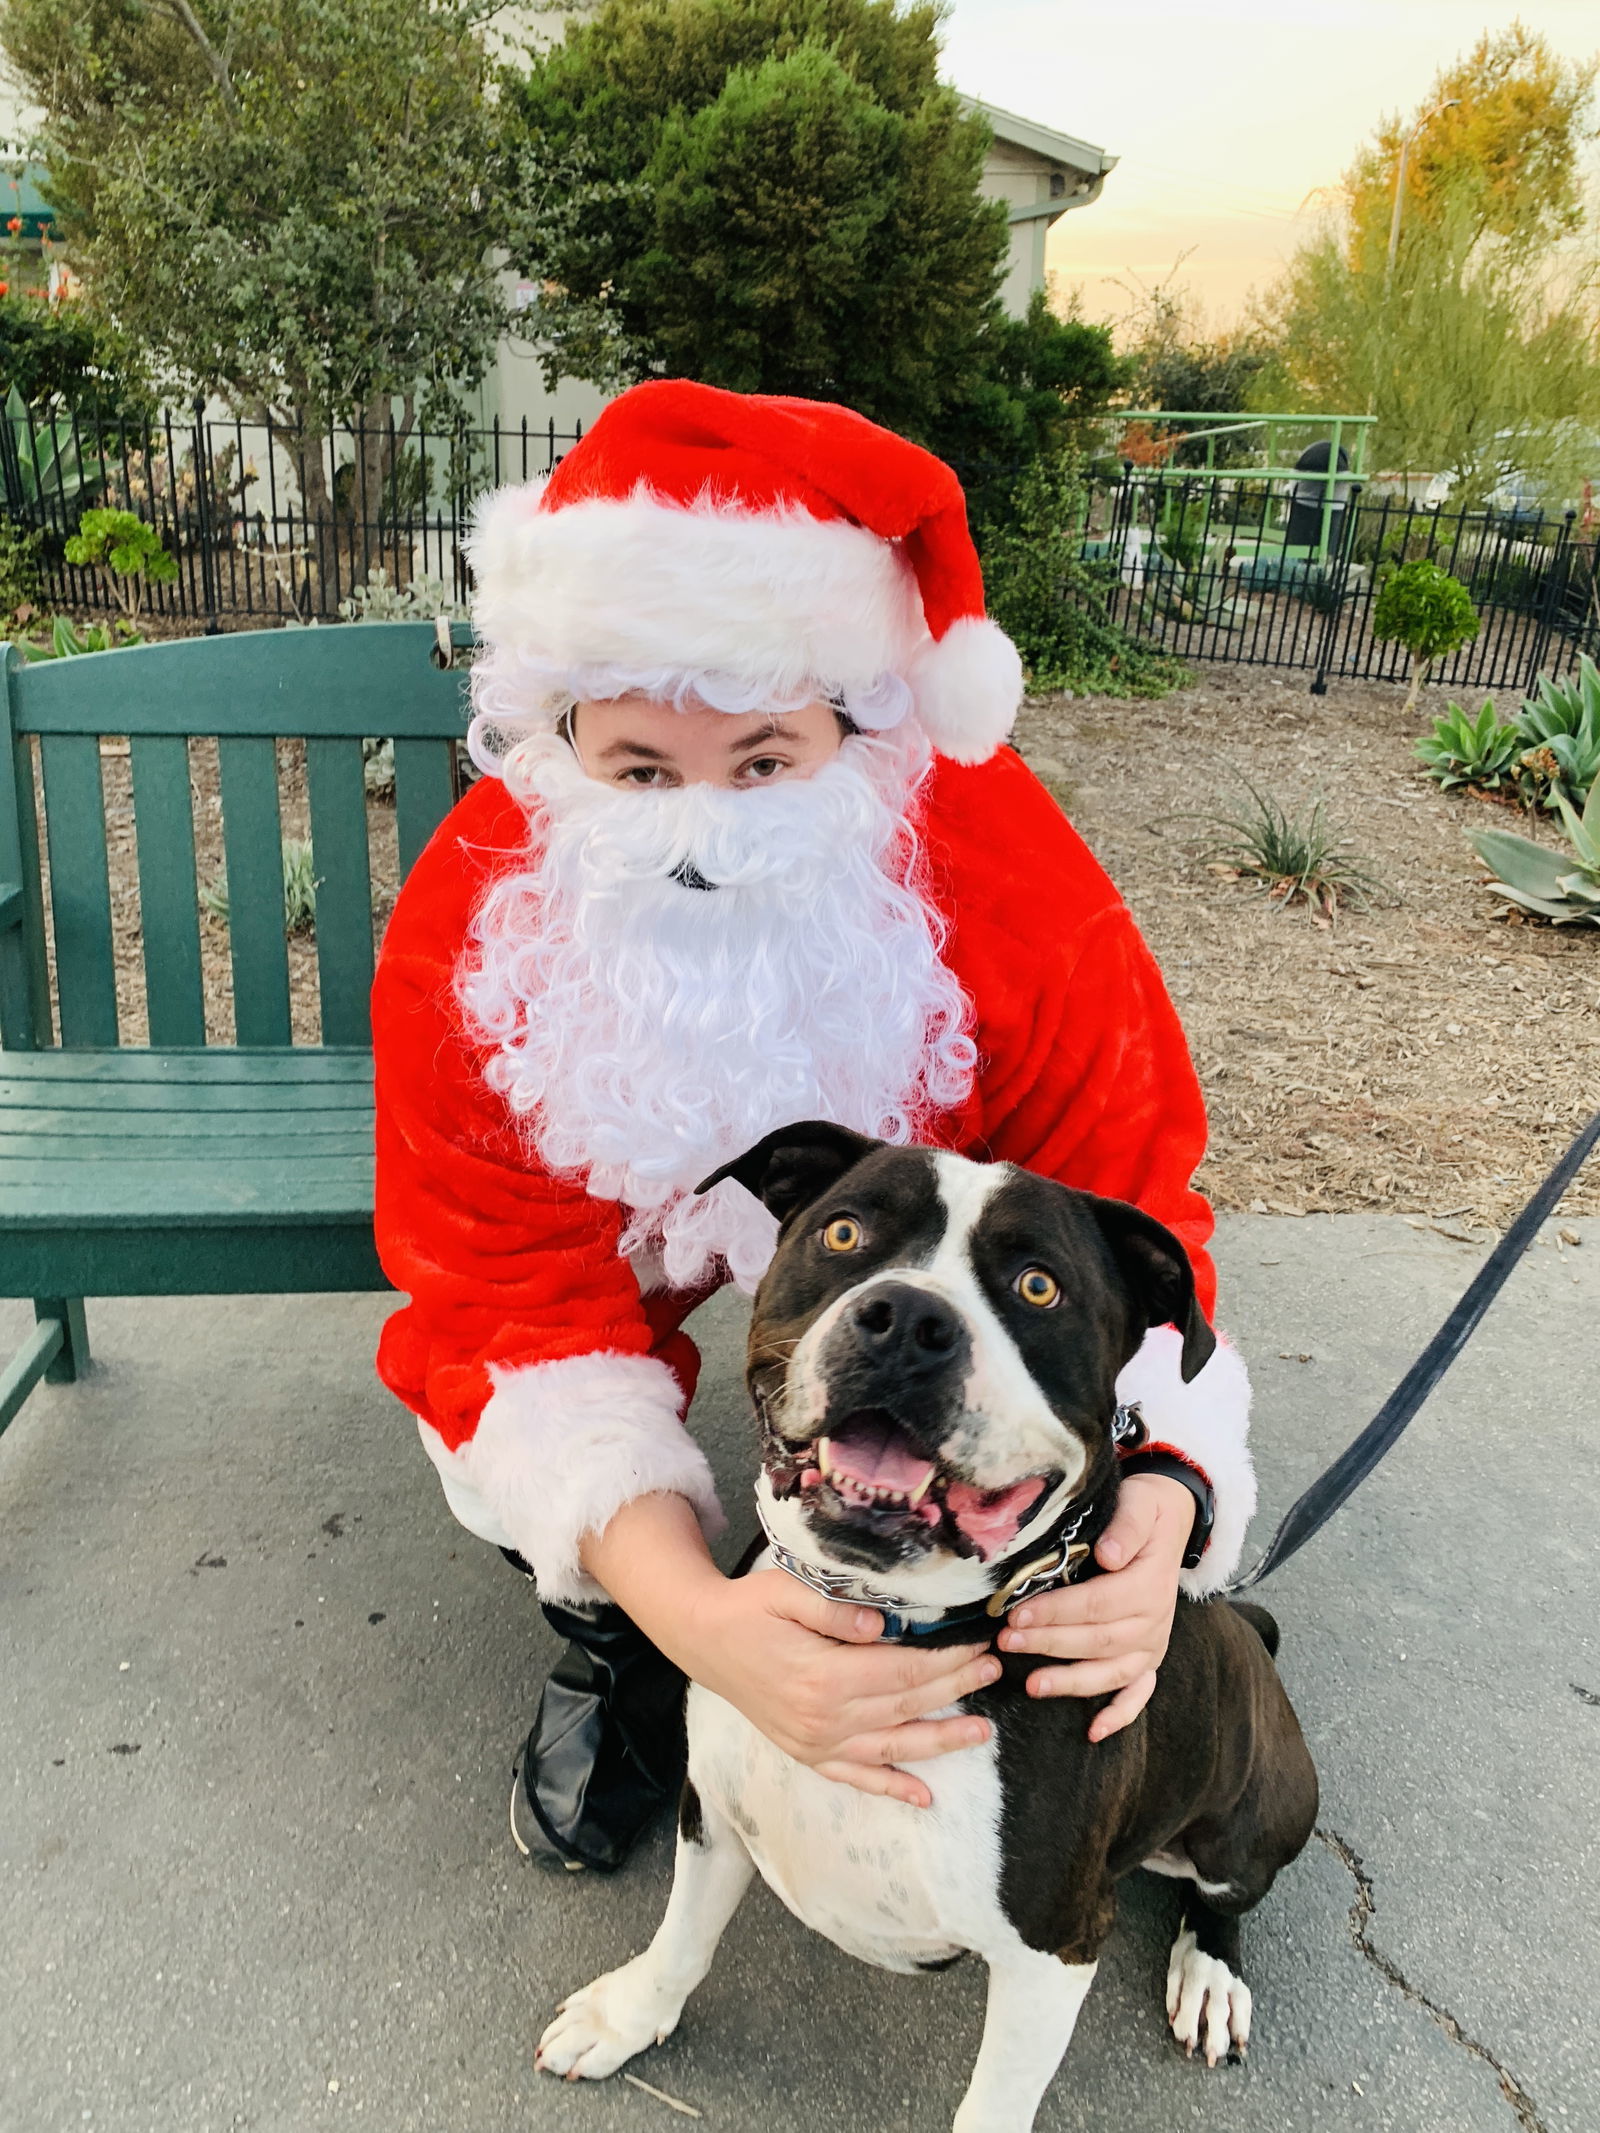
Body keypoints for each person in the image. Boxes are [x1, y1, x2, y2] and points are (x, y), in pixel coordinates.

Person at [371, 380, 1255, 1874]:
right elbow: (501, 1302)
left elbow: (1131, 1202)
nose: (703, 829)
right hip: (621, 1238)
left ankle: (991, 1574)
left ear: (858, 728)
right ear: (552, 732)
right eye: (640, 769)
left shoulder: (1003, 880)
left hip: (922, 1224)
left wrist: (1163, 1497)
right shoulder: (485, 927)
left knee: (989, 1383)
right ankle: (616, 1642)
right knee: (517, 1430)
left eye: (766, 763)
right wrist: (697, 1618)